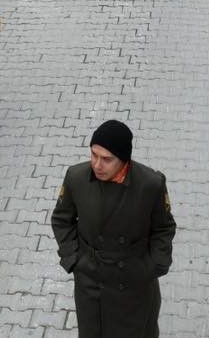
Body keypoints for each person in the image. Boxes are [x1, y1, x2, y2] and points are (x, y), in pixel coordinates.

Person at [51, 120, 176, 338]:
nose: (97, 165)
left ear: (124, 159)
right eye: (94, 155)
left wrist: (155, 265)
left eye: (107, 159)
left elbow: (164, 228)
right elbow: (62, 220)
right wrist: (73, 259)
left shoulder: (150, 184)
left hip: (135, 285)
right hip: (91, 285)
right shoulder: (76, 177)